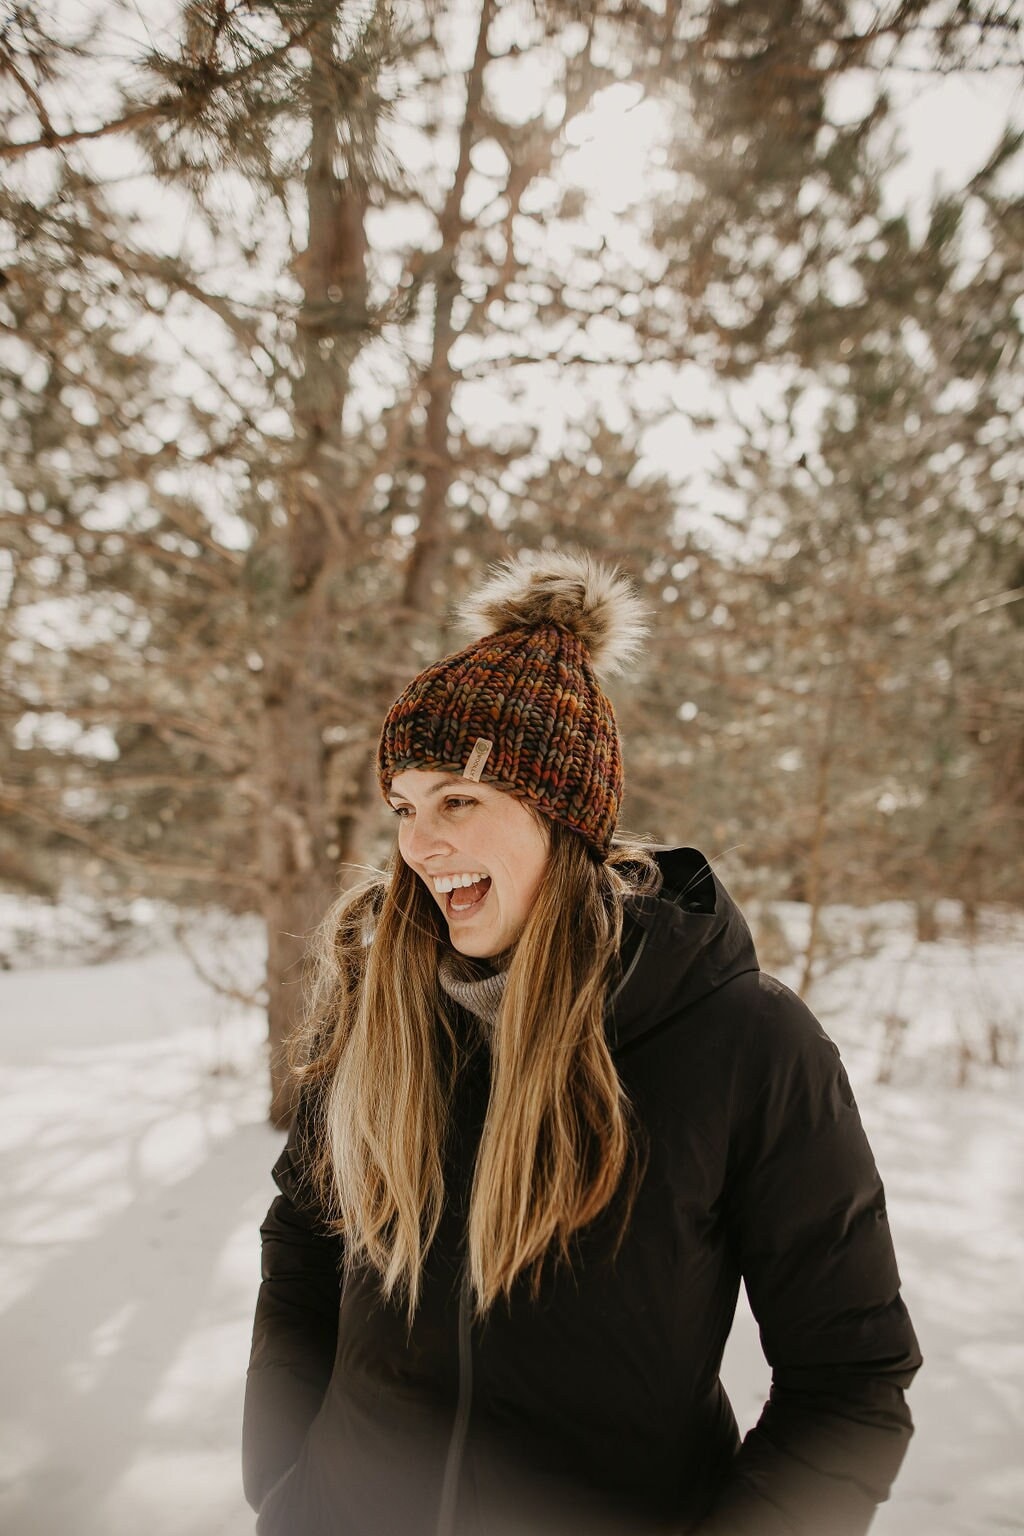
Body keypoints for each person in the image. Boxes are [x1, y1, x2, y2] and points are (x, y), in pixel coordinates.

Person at [243, 549, 921, 1536]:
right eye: (406, 807)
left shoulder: (744, 1044)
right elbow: (302, 1241)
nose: (420, 845)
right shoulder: (383, 1014)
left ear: (562, 820)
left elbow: (850, 1379)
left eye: (459, 801)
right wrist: (286, 1480)